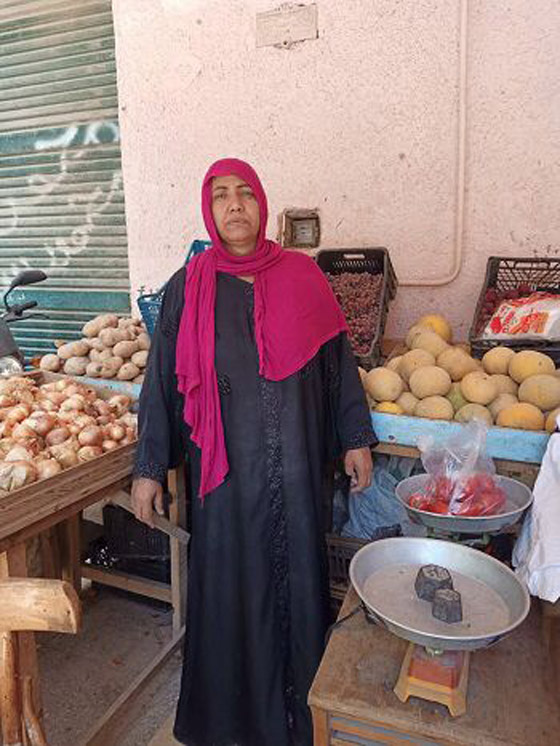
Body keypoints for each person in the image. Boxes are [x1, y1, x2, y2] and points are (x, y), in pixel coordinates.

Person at [131, 158, 376, 746]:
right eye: (221, 195)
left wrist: (356, 437)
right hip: (223, 477)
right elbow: (161, 381)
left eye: (244, 193)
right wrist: (148, 469)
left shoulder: (303, 276)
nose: (234, 205)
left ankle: (299, 721)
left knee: (298, 582)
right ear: (208, 210)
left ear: (262, 205)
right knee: (227, 588)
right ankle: (229, 724)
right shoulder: (187, 286)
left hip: (295, 468)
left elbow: (338, 365)